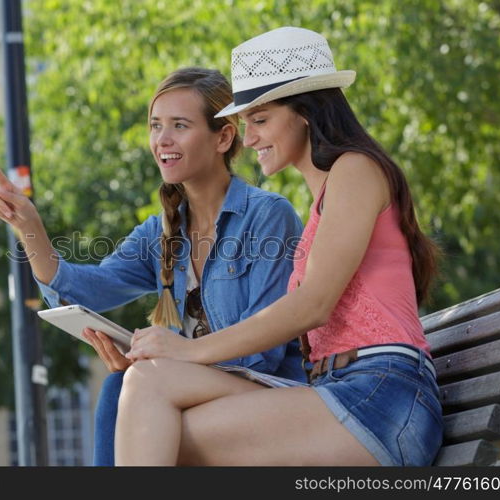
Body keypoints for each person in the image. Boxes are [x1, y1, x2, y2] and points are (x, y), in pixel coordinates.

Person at [116, 27, 443, 466]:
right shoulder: (322, 203)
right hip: (332, 393)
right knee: (147, 383)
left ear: (305, 113)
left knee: (161, 427)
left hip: (382, 398)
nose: (247, 138)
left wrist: (190, 349)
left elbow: (313, 305)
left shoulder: (357, 170)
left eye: (260, 119)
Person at [0, 67, 305, 466]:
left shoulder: (268, 217)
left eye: (179, 125)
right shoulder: (162, 232)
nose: (162, 140)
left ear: (223, 136)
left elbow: (264, 354)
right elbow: (87, 289)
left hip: (269, 392)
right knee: (119, 385)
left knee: (133, 385)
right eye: (155, 126)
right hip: (188, 386)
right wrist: (28, 226)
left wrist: (169, 359)